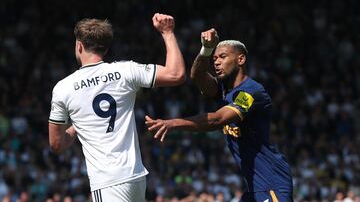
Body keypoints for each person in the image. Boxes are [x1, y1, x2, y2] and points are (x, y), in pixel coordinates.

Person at [48, 13, 185, 202]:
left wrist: (76, 126)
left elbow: (56, 144)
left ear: (79, 46)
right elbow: (176, 74)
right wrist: (168, 33)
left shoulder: (64, 88)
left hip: (107, 181)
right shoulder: (125, 70)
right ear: (105, 48)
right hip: (136, 176)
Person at [145, 28, 293, 202]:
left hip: (272, 184)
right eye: (214, 58)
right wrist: (206, 50)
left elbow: (218, 119)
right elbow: (197, 76)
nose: (216, 62)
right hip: (254, 188)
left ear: (241, 59)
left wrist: (172, 123)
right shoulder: (224, 91)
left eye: (222, 57)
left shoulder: (252, 92)